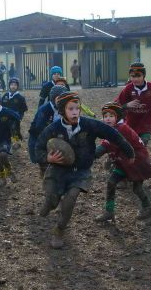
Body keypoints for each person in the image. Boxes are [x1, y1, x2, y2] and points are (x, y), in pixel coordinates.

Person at [35, 91, 134, 249]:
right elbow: (38, 147)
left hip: (80, 172)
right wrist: (47, 158)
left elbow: (113, 134)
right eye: (70, 109)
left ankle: (59, 230)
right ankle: (50, 202)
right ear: (62, 111)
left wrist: (129, 151)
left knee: (70, 199)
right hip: (57, 171)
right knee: (53, 197)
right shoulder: (53, 128)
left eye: (77, 108)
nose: (75, 112)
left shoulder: (89, 125)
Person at [94, 102, 151, 222]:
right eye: (105, 116)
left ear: (117, 117)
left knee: (137, 188)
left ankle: (147, 207)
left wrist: (90, 155)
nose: (107, 119)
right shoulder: (114, 128)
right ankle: (109, 211)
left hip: (137, 163)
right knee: (111, 182)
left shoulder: (120, 129)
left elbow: (105, 146)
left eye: (111, 116)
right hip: (125, 163)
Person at [114, 62, 151, 145]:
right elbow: (117, 104)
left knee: (142, 143)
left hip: (147, 122)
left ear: (144, 76)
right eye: (132, 76)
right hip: (131, 122)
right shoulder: (128, 89)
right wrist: (127, 105)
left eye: (138, 76)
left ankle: (140, 156)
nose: (135, 79)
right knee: (129, 144)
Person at [28, 84, 68, 177]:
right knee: (44, 160)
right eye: (59, 98)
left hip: (56, 137)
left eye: (64, 98)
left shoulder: (65, 108)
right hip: (39, 137)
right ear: (53, 98)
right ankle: (44, 173)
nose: (61, 100)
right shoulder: (44, 110)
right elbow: (39, 128)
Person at [1, 77, 28, 149]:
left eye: (15, 85)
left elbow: (23, 109)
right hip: (5, 117)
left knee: (14, 128)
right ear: (9, 85)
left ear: (17, 86)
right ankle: (6, 142)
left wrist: (20, 117)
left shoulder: (20, 98)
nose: (13, 86)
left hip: (15, 118)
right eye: (12, 84)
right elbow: (1, 106)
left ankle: (16, 141)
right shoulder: (5, 96)